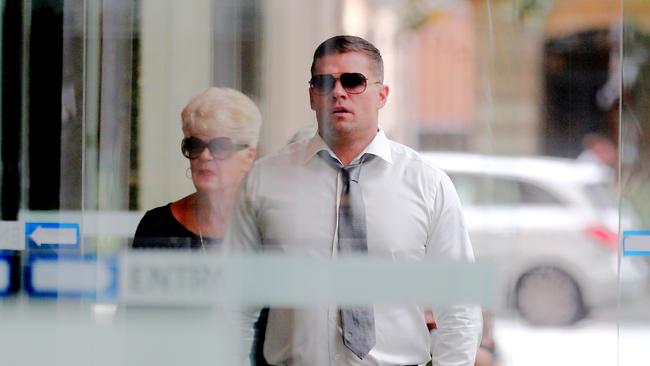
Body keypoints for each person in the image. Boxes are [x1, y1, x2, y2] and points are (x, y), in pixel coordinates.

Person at [226, 35, 482, 366]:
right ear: (311, 96)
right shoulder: (264, 181)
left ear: (382, 95)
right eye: (324, 82)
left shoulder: (427, 184)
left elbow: (459, 304)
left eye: (353, 81)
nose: (337, 92)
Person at [132, 87, 261, 250]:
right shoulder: (156, 225)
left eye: (220, 146)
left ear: (249, 156)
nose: (205, 155)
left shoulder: (267, 224)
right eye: (195, 145)